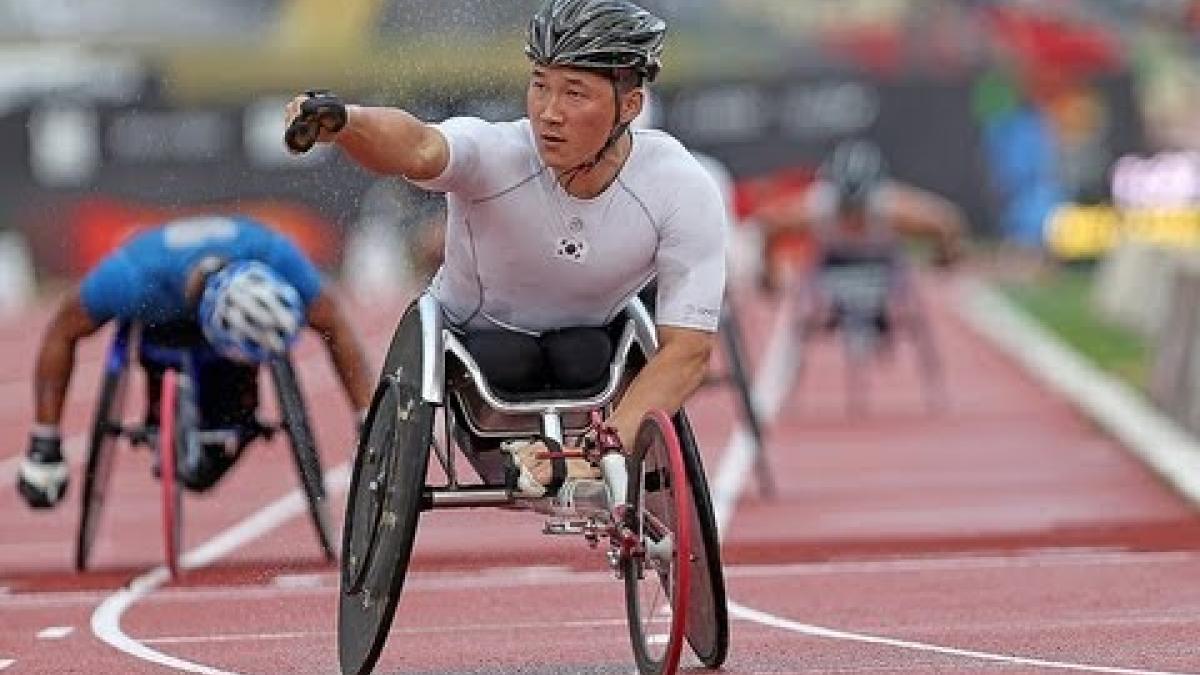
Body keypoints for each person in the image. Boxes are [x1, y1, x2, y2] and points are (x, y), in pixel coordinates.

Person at [285, 0, 726, 497]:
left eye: (574, 93)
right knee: (511, 356)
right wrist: (347, 122)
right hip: (476, 349)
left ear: (630, 106)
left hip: (590, 350)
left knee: (582, 353)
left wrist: (603, 450)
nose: (549, 113)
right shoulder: (496, 153)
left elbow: (689, 349)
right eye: (540, 85)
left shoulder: (680, 186)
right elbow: (419, 146)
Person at [17, 215, 373, 507]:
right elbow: (61, 332)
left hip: (227, 336)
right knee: (154, 350)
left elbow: (335, 326)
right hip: (160, 322)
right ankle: (167, 418)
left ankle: (231, 416)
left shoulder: (277, 257)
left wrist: (366, 420)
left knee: (231, 405)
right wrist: (45, 440)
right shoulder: (130, 278)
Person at [754, 139, 965, 336]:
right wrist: (770, 271)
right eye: (847, 208)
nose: (853, 215)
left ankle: (876, 313)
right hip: (832, 266)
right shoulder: (819, 205)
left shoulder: (891, 207)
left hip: (882, 267)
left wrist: (945, 256)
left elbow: (947, 221)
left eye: (858, 208)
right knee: (808, 282)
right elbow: (770, 225)